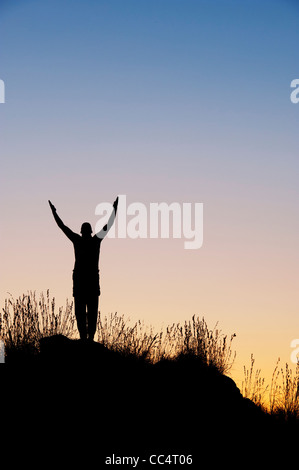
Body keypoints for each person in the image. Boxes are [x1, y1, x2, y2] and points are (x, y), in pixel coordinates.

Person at [49, 197, 119, 341]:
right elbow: (109, 224)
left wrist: (54, 213)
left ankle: (87, 338)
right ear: (89, 231)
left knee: (85, 311)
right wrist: (114, 209)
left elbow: (62, 226)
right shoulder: (94, 240)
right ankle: (87, 338)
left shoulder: (81, 240)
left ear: (82, 231)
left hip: (84, 280)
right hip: (86, 280)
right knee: (86, 311)